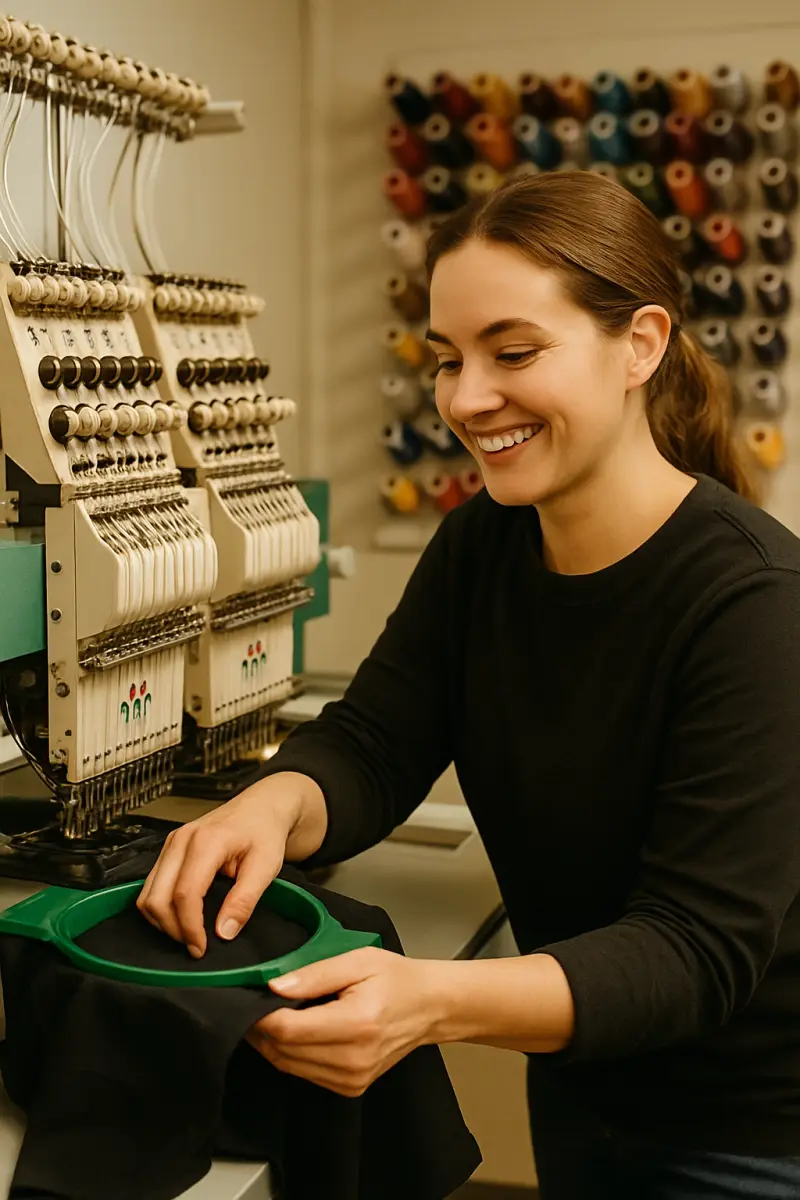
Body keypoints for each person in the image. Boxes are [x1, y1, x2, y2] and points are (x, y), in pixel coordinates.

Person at [138, 172, 800, 1200]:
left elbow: (692, 950)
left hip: (753, 1135)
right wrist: (271, 804)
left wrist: (428, 1002)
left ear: (640, 345)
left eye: (513, 352)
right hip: (581, 1091)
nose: (465, 398)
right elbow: (373, 743)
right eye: (447, 359)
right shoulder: (482, 546)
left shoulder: (754, 605)